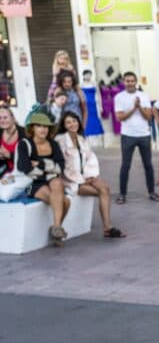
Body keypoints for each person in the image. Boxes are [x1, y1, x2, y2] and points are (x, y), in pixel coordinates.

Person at [56, 112, 124, 238]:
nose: (72, 124)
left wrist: (90, 176)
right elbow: (63, 166)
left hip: (85, 175)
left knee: (105, 188)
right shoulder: (60, 141)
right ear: (64, 126)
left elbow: (90, 158)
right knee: (99, 192)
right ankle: (107, 227)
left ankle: (108, 227)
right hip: (71, 180)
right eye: (68, 122)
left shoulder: (82, 139)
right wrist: (81, 180)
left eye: (74, 121)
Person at [15, 108, 69, 246]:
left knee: (57, 182)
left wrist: (39, 163)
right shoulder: (24, 144)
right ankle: (56, 230)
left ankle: (56, 228)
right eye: (39, 126)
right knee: (65, 202)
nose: (43, 129)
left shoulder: (53, 144)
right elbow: (25, 168)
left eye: (45, 126)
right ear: (32, 128)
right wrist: (50, 167)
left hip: (50, 180)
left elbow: (61, 167)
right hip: (32, 183)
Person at [114, 71, 159, 204]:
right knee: (125, 165)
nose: (130, 83)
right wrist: (133, 108)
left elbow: (149, 117)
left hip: (144, 135)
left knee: (148, 165)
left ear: (136, 82)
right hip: (127, 135)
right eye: (127, 81)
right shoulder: (119, 97)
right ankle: (122, 194)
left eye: (132, 81)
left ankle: (152, 192)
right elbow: (120, 117)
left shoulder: (144, 96)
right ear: (124, 82)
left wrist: (139, 106)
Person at [81, 70, 104, 141]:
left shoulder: (94, 84)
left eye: (90, 75)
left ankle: (96, 133)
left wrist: (100, 106)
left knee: (94, 118)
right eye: (87, 74)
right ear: (83, 75)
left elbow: (99, 95)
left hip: (93, 104)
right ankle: (86, 133)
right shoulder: (81, 85)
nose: (88, 76)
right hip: (85, 104)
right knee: (86, 118)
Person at [0, 105, 22, 178]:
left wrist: (9, 155)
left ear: (13, 118)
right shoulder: (0, 132)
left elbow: (29, 158)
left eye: (5, 117)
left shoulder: (24, 133)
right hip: (4, 172)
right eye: (0, 118)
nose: (2, 120)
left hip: (21, 173)